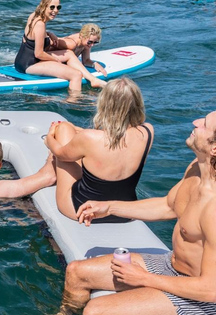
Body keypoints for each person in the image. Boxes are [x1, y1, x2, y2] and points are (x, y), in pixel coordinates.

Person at [30, 111, 216, 315]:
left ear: (214, 148)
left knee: (96, 314)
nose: (196, 122)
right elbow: (168, 206)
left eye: (204, 125)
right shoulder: (196, 168)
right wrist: (109, 207)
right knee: (77, 272)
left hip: (204, 303)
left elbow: (210, 289)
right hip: (173, 266)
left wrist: (145, 279)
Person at [44, 77, 153, 222]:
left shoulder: (89, 138)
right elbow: (116, 145)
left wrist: (50, 137)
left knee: (63, 128)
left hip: (82, 210)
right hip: (125, 212)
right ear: (137, 104)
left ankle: (46, 174)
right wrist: (79, 132)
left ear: (104, 104)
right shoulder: (147, 132)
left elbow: (60, 154)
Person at [13, 0, 105, 93]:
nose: (56, 10)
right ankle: (73, 103)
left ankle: (92, 80)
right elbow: (38, 54)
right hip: (29, 64)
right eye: (52, 7)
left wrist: (48, 34)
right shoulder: (40, 25)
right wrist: (56, 61)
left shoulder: (34, 16)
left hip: (22, 59)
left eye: (58, 7)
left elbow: (32, 35)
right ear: (44, 6)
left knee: (69, 54)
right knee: (76, 75)